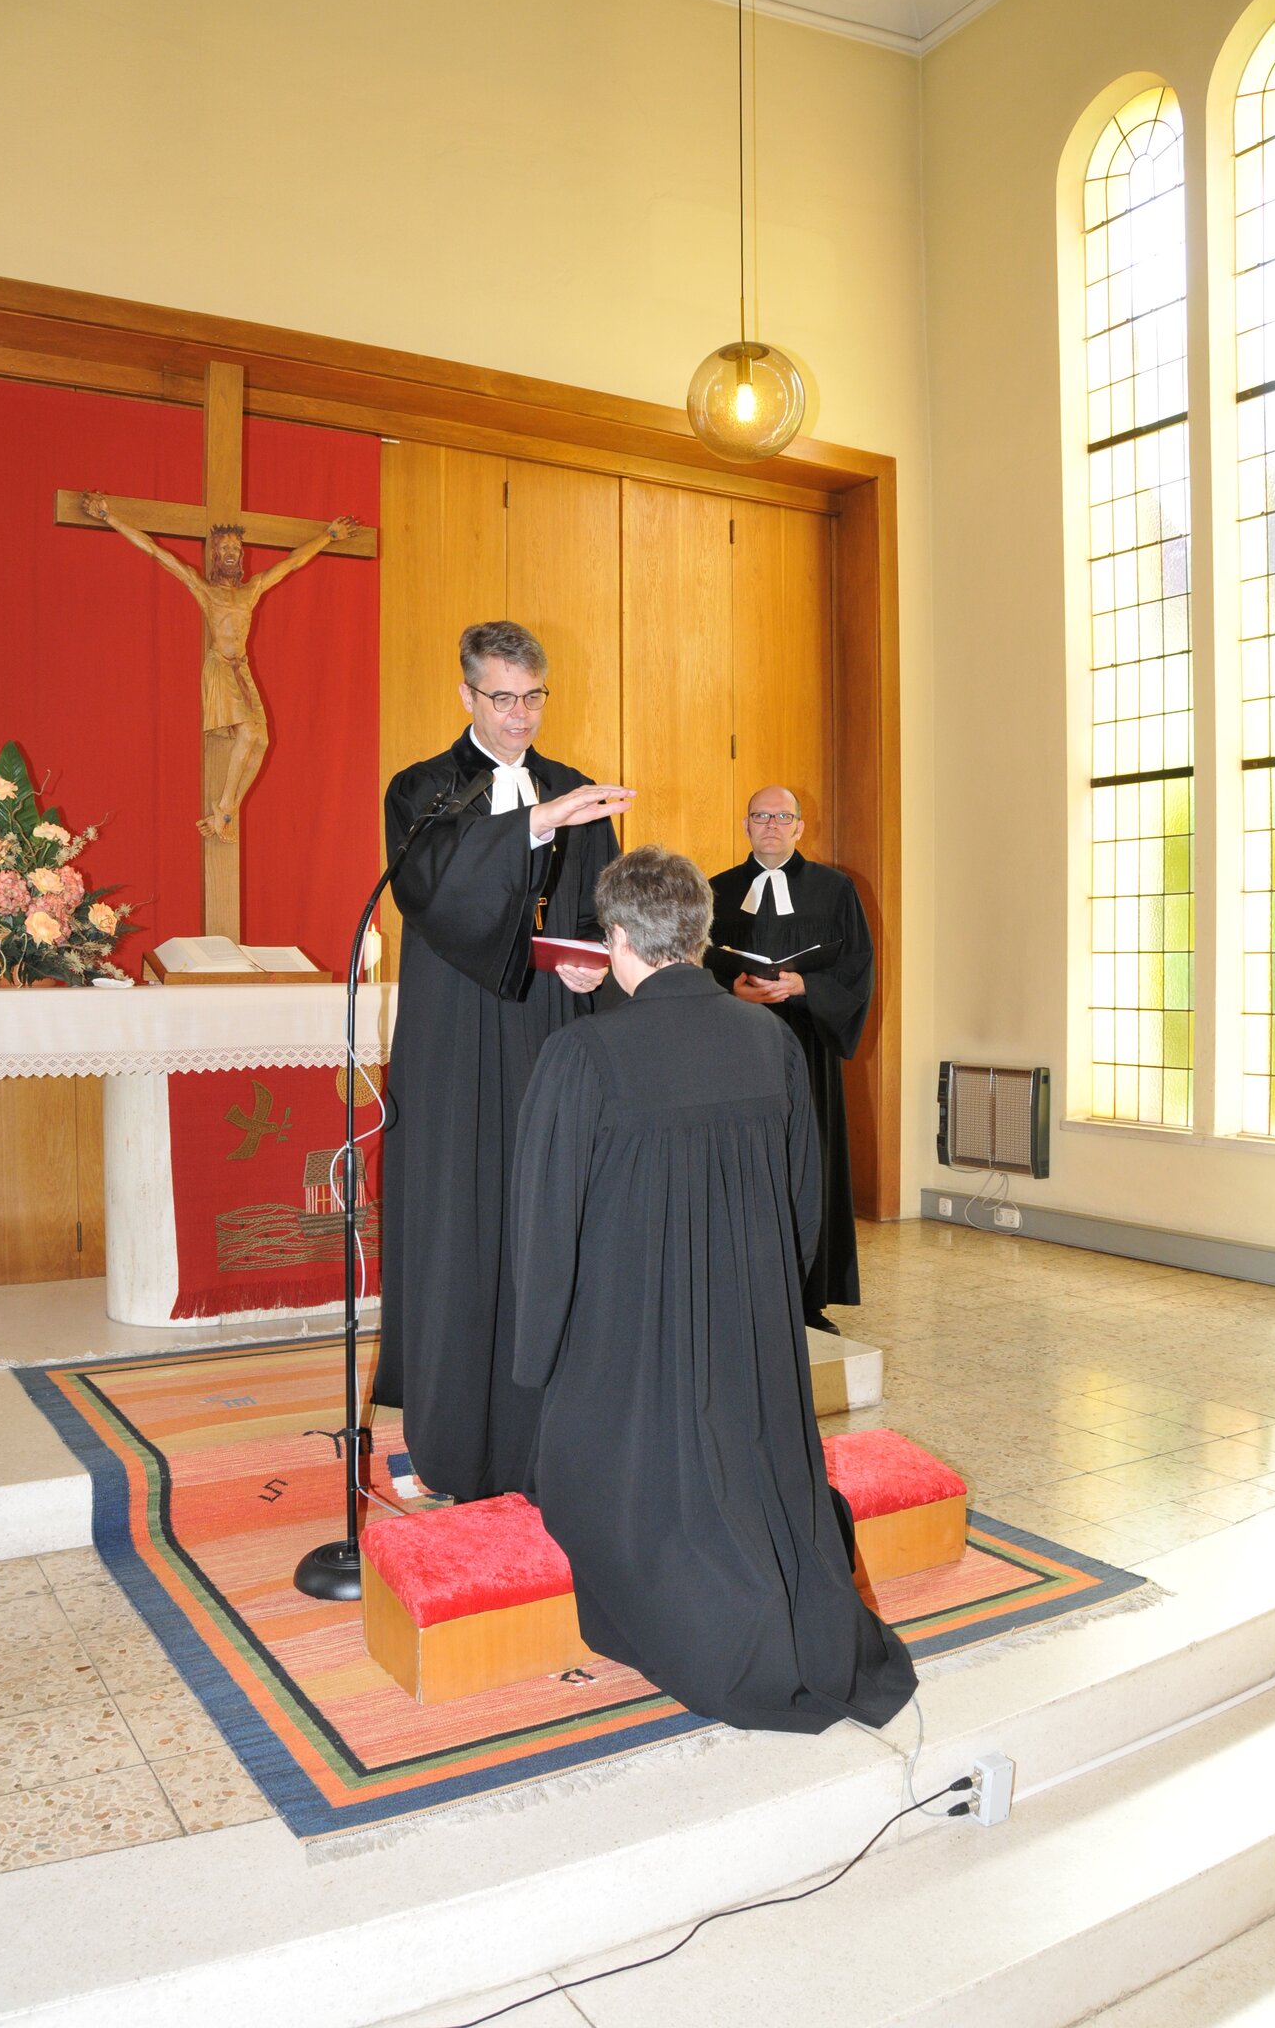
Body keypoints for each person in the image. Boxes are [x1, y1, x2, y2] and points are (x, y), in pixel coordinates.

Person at [512, 846, 915, 1735]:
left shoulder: (582, 1054)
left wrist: (540, 1354)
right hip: (747, 1323)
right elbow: (805, 1201)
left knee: (583, 1471)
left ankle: (689, 1620)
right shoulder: (768, 1039)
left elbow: (544, 1225)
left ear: (616, 937)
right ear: (701, 934)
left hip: (628, 1337)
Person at [372, 621, 632, 1502]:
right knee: (459, 1225)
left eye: (533, 698)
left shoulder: (574, 789)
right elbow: (432, 893)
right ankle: (449, 1445)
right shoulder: (423, 789)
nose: (521, 717)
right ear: (466, 696)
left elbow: (600, 910)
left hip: (554, 1031)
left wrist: (605, 957)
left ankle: (551, 1434)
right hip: (455, 1041)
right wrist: (535, 822)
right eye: (502, 699)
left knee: (549, 1219)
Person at [79, 493, 360, 842]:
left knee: (262, 739)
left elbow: (291, 563)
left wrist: (328, 536)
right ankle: (224, 807)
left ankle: (227, 811)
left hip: (241, 670)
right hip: (220, 668)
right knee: (247, 732)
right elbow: (156, 551)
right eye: (224, 549)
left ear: (241, 557)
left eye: (235, 550)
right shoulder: (205, 589)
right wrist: (110, 518)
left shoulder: (251, 589)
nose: (230, 554)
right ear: (214, 555)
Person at [708, 787, 874, 1333]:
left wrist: (806, 984)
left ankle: (806, 1298)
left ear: (800, 827)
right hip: (735, 1048)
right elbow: (695, 959)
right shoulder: (716, 892)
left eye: (782, 817)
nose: (771, 825)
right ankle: (739, 1289)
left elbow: (856, 968)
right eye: (761, 816)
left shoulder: (835, 890)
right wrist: (732, 988)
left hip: (808, 1047)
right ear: (746, 825)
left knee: (808, 1165)